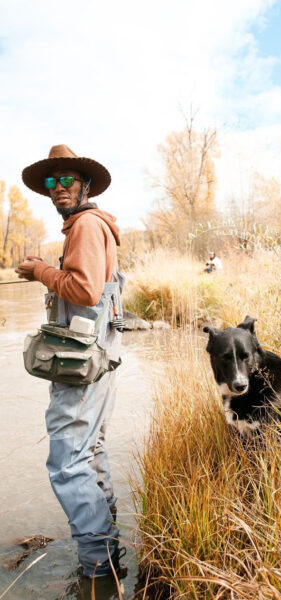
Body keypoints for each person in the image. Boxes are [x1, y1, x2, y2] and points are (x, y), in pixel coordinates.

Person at [16, 145, 125, 579]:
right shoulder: (92, 226)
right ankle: (111, 546)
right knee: (90, 450)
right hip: (99, 362)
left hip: (82, 368)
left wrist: (41, 270)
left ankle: (98, 567)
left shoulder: (84, 226)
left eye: (67, 180)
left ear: (84, 186)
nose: (58, 188)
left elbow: (84, 291)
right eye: (51, 181)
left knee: (66, 461)